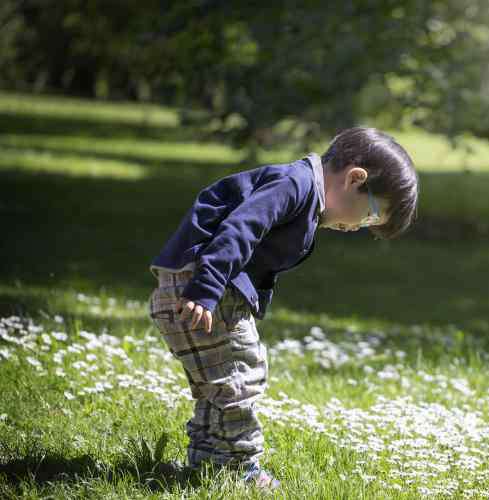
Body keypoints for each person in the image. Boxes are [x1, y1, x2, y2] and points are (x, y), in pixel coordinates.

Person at [147, 127, 418, 489]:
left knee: (230, 376)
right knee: (239, 378)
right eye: (370, 216)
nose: (359, 228)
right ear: (355, 179)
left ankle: (209, 462)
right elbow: (240, 228)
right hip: (199, 286)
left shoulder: (306, 198)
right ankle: (238, 467)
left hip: (214, 289)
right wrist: (206, 289)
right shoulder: (294, 185)